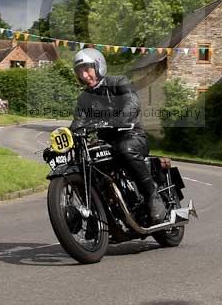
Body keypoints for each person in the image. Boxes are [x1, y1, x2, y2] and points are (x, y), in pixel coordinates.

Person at [70, 48, 167, 224]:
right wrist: (67, 136)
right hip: (106, 143)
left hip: (132, 135)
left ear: (99, 66)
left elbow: (133, 102)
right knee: (86, 163)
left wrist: (119, 119)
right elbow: (78, 122)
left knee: (125, 149)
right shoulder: (84, 98)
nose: (84, 75)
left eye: (87, 69)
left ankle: (153, 196)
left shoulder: (118, 83)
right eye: (80, 71)